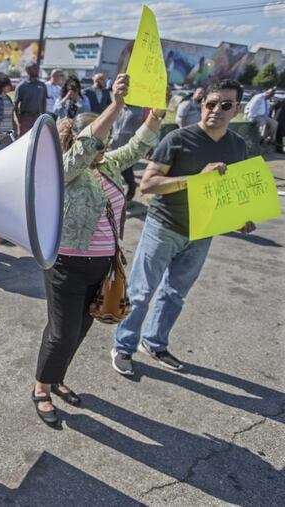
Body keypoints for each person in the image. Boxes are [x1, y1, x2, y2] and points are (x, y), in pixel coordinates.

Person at [32, 74, 163, 428]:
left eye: (105, 145)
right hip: (65, 265)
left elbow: (136, 147)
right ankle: (41, 387)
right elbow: (87, 147)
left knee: (80, 331)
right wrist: (117, 104)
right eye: (98, 143)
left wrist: (156, 115)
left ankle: (56, 378)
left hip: (102, 267)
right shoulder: (63, 169)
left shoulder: (106, 165)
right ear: (79, 141)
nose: (102, 150)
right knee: (61, 332)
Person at [112, 80, 256, 376]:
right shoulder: (177, 138)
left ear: (237, 110)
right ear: (202, 104)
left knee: (175, 293)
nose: (216, 109)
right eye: (210, 103)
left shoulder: (238, 146)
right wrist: (196, 179)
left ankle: (154, 343)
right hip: (163, 227)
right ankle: (123, 346)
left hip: (202, 232)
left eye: (225, 105)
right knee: (141, 292)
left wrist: (240, 217)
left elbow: (231, 190)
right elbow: (148, 185)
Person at [110, 105, 146, 201]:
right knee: (112, 174)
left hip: (128, 148)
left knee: (127, 171)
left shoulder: (140, 110)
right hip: (113, 146)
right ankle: (116, 198)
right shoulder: (117, 107)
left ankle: (131, 191)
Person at [14, 62, 48, 136]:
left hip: (38, 117)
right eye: (34, 68)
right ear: (27, 71)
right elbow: (16, 104)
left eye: (37, 68)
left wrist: (44, 116)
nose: (37, 70)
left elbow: (44, 101)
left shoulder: (42, 85)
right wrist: (19, 118)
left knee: (37, 139)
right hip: (25, 118)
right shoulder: (21, 86)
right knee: (23, 139)